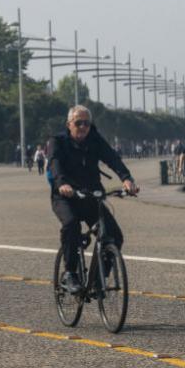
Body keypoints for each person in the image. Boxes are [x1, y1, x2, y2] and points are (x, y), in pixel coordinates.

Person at [48, 105, 139, 295]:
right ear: (69, 124)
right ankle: (70, 273)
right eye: (78, 123)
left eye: (86, 123)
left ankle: (99, 279)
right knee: (72, 224)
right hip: (65, 196)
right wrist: (62, 184)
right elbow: (55, 164)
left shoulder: (94, 139)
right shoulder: (58, 141)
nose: (83, 127)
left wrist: (127, 179)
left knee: (114, 235)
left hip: (90, 196)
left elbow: (112, 158)